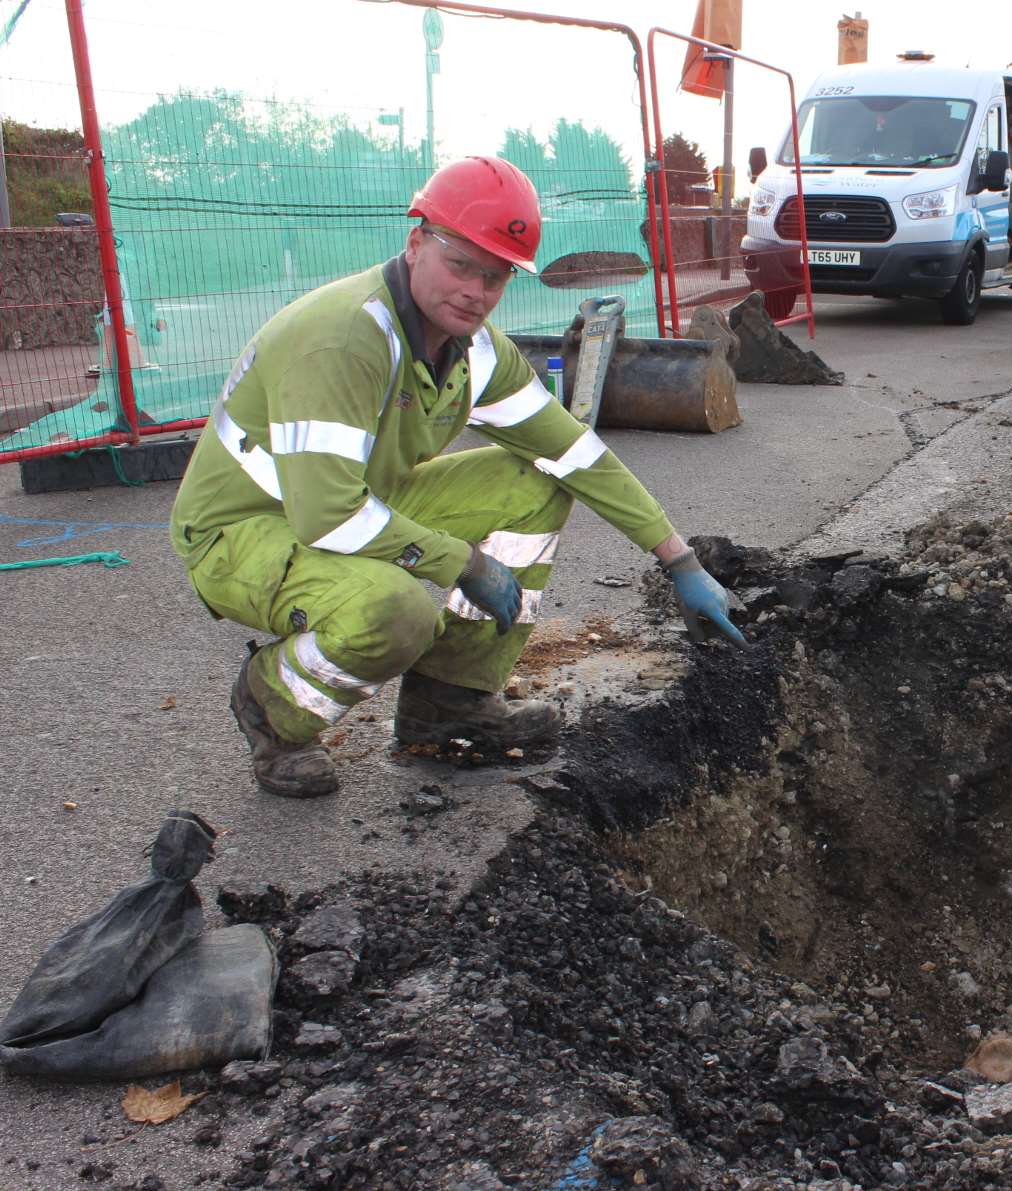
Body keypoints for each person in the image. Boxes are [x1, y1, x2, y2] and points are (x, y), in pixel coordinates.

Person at [169, 155, 743, 800]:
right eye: (460, 264)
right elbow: (327, 514)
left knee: (534, 481)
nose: (475, 289)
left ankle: (448, 703)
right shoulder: (343, 340)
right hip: (244, 531)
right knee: (397, 606)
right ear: (416, 244)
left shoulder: (474, 349)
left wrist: (678, 559)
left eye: (494, 276)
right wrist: (463, 562)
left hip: (358, 503)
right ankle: (274, 708)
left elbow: (573, 455)